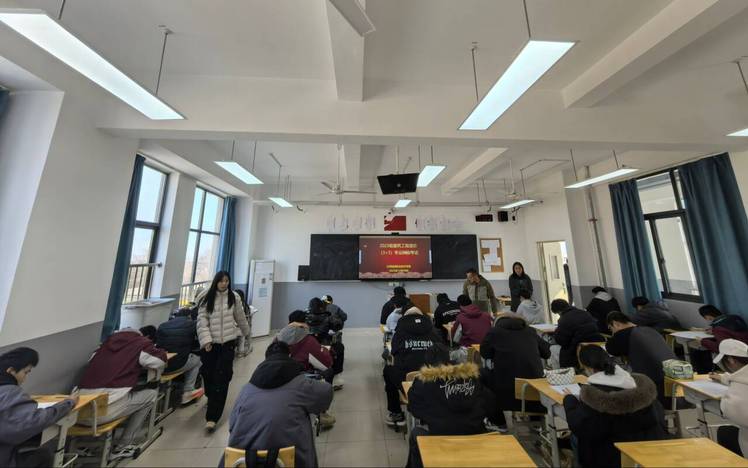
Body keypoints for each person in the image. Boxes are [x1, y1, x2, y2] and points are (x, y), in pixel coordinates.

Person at [228, 341, 333, 468]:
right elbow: (326, 393)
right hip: (290, 460)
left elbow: (232, 426)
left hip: (242, 460)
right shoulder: (300, 384)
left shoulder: (246, 390)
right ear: (289, 356)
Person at [563, 346, 666, 468]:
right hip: (651, 450)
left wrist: (569, 399)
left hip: (611, 456)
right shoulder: (642, 387)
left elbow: (579, 425)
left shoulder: (595, 397)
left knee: (575, 437)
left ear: (589, 369)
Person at [78, 328, 166, 458]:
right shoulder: (140, 343)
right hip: (105, 411)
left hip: (80, 410)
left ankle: (82, 446)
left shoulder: (103, 346)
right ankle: (124, 445)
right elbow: (159, 362)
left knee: (112, 397)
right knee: (150, 395)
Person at [0, 348, 77, 468]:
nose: (25, 378)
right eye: (26, 372)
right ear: (11, 371)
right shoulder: (10, 391)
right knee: (43, 455)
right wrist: (68, 403)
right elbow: (34, 421)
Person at [406, 360, 490, 468]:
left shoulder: (424, 382)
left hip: (439, 442)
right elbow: (490, 405)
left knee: (416, 433)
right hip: (475, 441)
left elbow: (413, 408)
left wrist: (431, 415)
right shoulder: (475, 380)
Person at [196, 270, 251, 433]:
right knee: (208, 374)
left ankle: (212, 417)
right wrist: (206, 340)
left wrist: (247, 333)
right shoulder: (207, 298)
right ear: (216, 282)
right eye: (221, 281)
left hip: (228, 343)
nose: (224, 284)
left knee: (222, 377)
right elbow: (202, 321)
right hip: (210, 345)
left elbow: (240, 317)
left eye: (227, 281)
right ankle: (211, 396)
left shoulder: (234, 297)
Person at [480, 313, 550, 429]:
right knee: (531, 372)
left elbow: (485, 353)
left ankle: (499, 422)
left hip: (507, 391)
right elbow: (547, 353)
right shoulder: (530, 331)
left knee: (482, 377)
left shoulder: (494, 332)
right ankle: (536, 420)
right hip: (533, 389)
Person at [383, 307, 448, 428]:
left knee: (388, 370)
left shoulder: (400, 332)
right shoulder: (435, 332)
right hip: (434, 381)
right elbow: (443, 353)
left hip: (407, 380)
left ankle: (396, 413)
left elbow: (394, 353)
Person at [605, 311, 676, 405]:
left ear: (615, 323)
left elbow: (611, 349)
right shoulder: (650, 330)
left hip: (654, 384)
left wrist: (614, 336)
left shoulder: (624, 334)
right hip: (674, 376)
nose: (613, 332)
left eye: (611, 329)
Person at [154, 311, 205, 405]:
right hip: (178, 364)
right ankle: (188, 390)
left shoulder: (162, 325)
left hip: (160, 365)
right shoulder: (192, 324)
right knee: (197, 360)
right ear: (189, 316)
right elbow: (199, 341)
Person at [710, 339, 748, 458]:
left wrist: (725, 399)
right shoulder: (742, 377)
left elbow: (730, 411)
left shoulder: (739, 388)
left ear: (731, 360)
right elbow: (741, 377)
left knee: (724, 432)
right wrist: (724, 378)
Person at [551, 299, 604, 369]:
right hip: (595, 347)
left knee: (552, 349)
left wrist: (556, 332)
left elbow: (561, 341)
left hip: (576, 351)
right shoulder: (585, 313)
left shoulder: (564, 319)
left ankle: (560, 373)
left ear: (559, 311)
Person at [307, 298, 345, 387]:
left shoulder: (304, 316)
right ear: (322, 307)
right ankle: (336, 377)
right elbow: (338, 326)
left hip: (307, 345)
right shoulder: (328, 316)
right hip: (323, 345)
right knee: (339, 347)